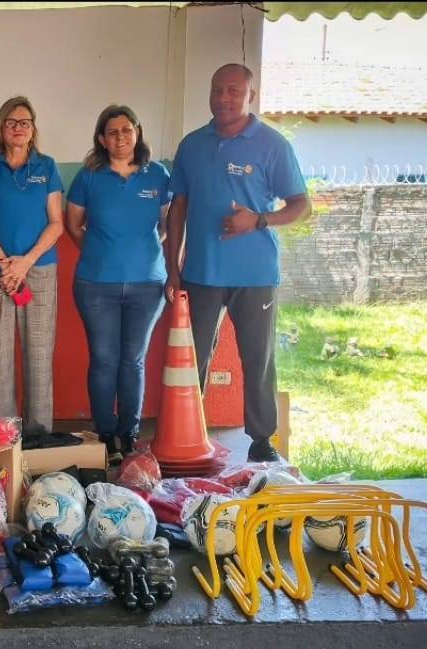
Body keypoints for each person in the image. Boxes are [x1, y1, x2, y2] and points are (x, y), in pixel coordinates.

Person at [165, 63, 311, 462]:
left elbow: (301, 205)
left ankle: (262, 442)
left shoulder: (272, 144)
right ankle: (186, 434)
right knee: (189, 359)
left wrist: (258, 220)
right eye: (218, 89)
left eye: (234, 90)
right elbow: (178, 208)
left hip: (255, 274)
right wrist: (173, 268)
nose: (224, 98)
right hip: (201, 273)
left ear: (251, 96)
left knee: (258, 359)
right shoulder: (192, 145)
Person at [65, 105, 170, 457]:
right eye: (112, 132)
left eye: (127, 130)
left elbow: (167, 225)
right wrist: (101, 252)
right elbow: (73, 225)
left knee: (133, 360)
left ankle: (129, 431)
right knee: (104, 359)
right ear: (102, 139)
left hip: (148, 285)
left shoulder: (158, 175)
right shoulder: (89, 176)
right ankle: (106, 433)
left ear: (137, 132)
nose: (121, 137)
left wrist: (142, 252)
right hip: (96, 285)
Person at [0, 96, 64, 433]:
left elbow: (57, 223)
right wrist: (6, 265)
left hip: (38, 269)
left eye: (25, 122)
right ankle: (3, 434)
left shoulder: (47, 167)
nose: (18, 128)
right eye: (11, 122)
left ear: (33, 128)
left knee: (39, 353)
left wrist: (25, 263)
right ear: (1, 127)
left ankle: (39, 433)